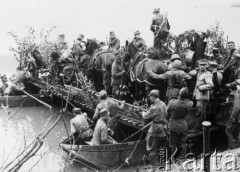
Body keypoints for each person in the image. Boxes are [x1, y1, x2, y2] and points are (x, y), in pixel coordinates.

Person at [142, 89, 168, 170]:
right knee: (161, 148)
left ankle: (154, 168)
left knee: (151, 149)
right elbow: (166, 114)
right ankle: (162, 166)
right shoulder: (163, 104)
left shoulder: (153, 107)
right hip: (164, 129)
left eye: (150, 97)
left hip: (155, 129)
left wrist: (143, 112)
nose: (150, 99)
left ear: (153, 97)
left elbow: (145, 117)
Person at [167, 87, 193, 163]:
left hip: (173, 125)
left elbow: (167, 111)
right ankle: (182, 159)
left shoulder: (172, 102)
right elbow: (191, 103)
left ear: (179, 94)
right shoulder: (189, 104)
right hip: (183, 126)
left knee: (172, 143)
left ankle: (172, 159)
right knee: (182, 143)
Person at [189, 59, 214, 133]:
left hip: (203, 97)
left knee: (199, 113)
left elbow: (211, 85)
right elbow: (197, 84)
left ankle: (196, 129)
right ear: (198, 66)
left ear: (206, 65)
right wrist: (194, 93)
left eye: (204, 65)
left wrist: (201, 87)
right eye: (201, 65)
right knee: (201, 112)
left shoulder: (207, 74)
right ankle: (201, 127)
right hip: (199, 96)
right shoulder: (199, 73)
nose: (202, 66)